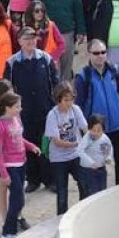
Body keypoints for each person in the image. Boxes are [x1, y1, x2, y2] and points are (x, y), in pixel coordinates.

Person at [4, 27, 58, 193]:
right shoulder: (12, 62)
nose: (30, 41)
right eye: (26, 38)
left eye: (33, 38)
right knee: (28, 143)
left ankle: (50, 179)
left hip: (45, 109)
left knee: (46, 144)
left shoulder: (46, 59)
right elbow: (7, 89)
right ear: (19, 41)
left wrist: (55, 107)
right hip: (23, 112)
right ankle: (33, 179)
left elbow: (55, 84)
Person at [73, 40, 119, 184]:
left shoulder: (115, 72)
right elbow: (79, 105)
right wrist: (83, 129)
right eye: (96, 53)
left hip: (118, 126)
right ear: (89, 54)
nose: (100, 55)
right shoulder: (83, 76)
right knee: (98, 166)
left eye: (103, 52)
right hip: (96, 130)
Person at [0, 91, 43, 238]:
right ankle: (7, 233)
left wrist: (31, 146)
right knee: (18, 199)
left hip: (21, 164)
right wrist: (4, 174)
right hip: (10, 167)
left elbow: (20, 139)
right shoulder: (0, 125)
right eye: (17, 107)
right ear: (7, 108)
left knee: (19, 200)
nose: (20, 109)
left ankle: (10, 231)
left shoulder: (16, 119)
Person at [44, 81, 88, 215]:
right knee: (62, 191)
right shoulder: (52, 115)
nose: (69, 103)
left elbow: (85, 128)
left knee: (84, 183)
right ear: (58, 100)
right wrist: (76, 144)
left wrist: (89, 142)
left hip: (75, 154)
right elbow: (57, 141)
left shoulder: (76, 109)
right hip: (59, 158)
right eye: (65, 100)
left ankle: (83, 213)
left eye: (71, 99)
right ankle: (61, 217)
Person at [77, 114, 114, 196]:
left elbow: (109, 148)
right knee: (91, 193)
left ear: (103, 130)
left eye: (99, 130)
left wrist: (108, 157)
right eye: (93, 130)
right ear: (89, 129)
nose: (96, 133)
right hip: (88, 170)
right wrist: (91, 163)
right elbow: (79, 151)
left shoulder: (104, 138)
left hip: (101, 169)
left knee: (102, 191)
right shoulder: (87, 138)